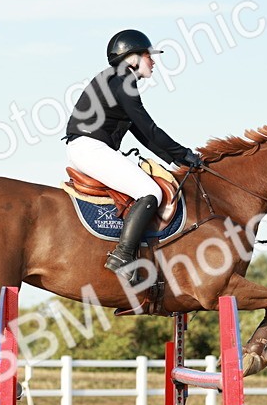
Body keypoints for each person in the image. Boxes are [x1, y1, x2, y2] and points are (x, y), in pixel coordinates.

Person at [65, 29, 204, 277]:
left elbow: (144, 136)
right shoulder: (123, 80)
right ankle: (122, 256)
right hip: (90, 147)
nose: (153, 61)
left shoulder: (116, 80)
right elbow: (150, 129)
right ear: (132, 58)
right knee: (149, 191)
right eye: (148, 55)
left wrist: (178, 160)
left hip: (87, 147)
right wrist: (185, 154)